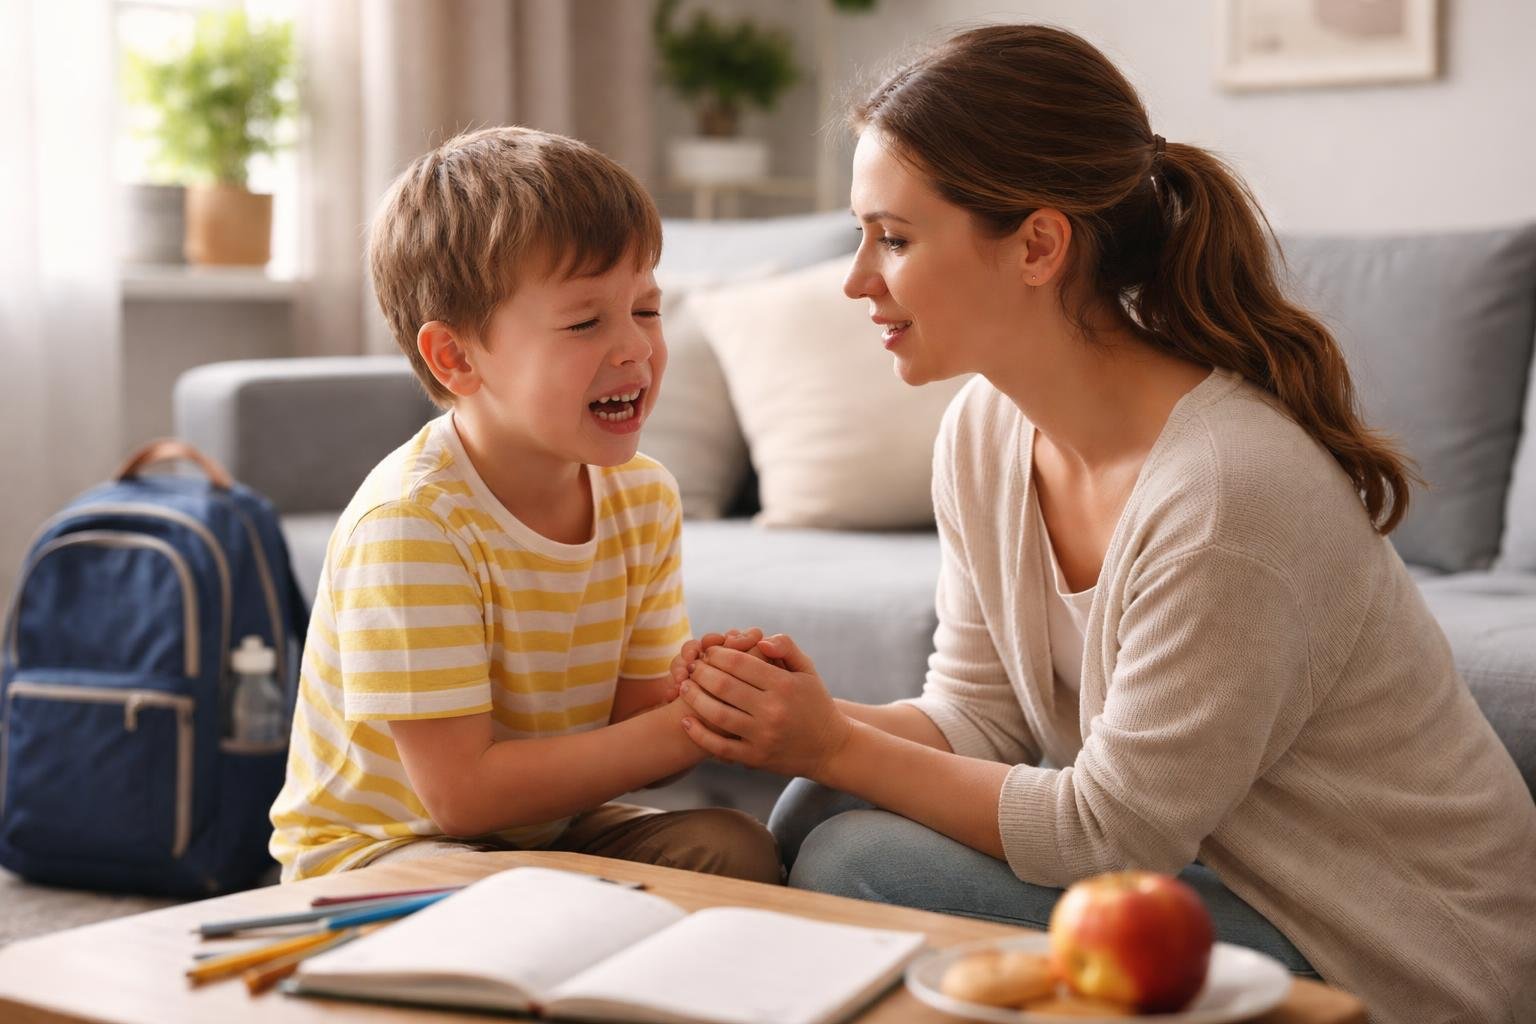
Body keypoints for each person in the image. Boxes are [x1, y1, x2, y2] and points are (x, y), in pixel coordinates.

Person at [670, 24, 1536, 1022]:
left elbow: (1110, 833)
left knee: (852, 852)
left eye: (894, 238)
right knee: (825, 803)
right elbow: (979, 718)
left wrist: (833, 744)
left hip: (1386, 950)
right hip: (1211, 886)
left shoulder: (1225, 491)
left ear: (1038, 245)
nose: (856, 277)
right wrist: (778, 720)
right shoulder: (984, 431)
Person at [268, 126, 779, 886]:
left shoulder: (644, 498)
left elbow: (638, 741)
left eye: (646, 310)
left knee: (733, 846)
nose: (635, 348)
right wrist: (682, 727)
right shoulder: (414, 523)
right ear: (456, 358)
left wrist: (717, 695)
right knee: (502, 902)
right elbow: (463, 798)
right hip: (388, 854)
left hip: (547, 835)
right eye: (585, 322)